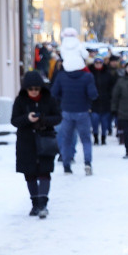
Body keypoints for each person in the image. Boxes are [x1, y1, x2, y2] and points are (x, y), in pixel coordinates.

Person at [11, 71, 62, 218]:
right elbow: (14, 120)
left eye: (36, 89)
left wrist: (43, 120)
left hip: (45, 139)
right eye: (30, 89)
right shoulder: (20, 101)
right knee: (30, 173)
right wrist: (27, 118)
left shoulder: (49, 100)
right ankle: (35, 204)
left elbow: (58, 117)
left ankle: (43, 204)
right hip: (26, 141)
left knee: (45, 172)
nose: (33, 92)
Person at [50, 30, 97, 175]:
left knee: (66, 138)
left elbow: (54, 93)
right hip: (83, 111)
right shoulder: (87, 77)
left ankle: (66, 164)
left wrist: (63, 99)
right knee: (85, 140)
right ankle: (87, 163)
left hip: (67, 111)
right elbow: (93, 94)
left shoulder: (62, 76)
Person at [89, 57, 116, 145]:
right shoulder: (90, 74)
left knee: (105, 121)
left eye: (100, 62)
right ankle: (96, 137)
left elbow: (112, 87)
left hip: (105, 101)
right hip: (94, 101)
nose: (98, 64)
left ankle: (103, 137)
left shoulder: (107, 74)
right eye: (96, 63)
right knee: (95, 120)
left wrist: (110, 96)